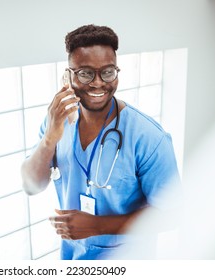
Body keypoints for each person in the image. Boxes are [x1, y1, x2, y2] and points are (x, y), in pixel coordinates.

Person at [21, 24, 180, 260]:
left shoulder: (148, 137)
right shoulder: (57, 122)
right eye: (85, 73)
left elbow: (171, 214)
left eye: (108, 72)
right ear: (68, 76)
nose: (98, 83)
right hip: (73, 256)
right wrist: (49, 140)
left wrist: (97, 226)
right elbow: (31, 186)